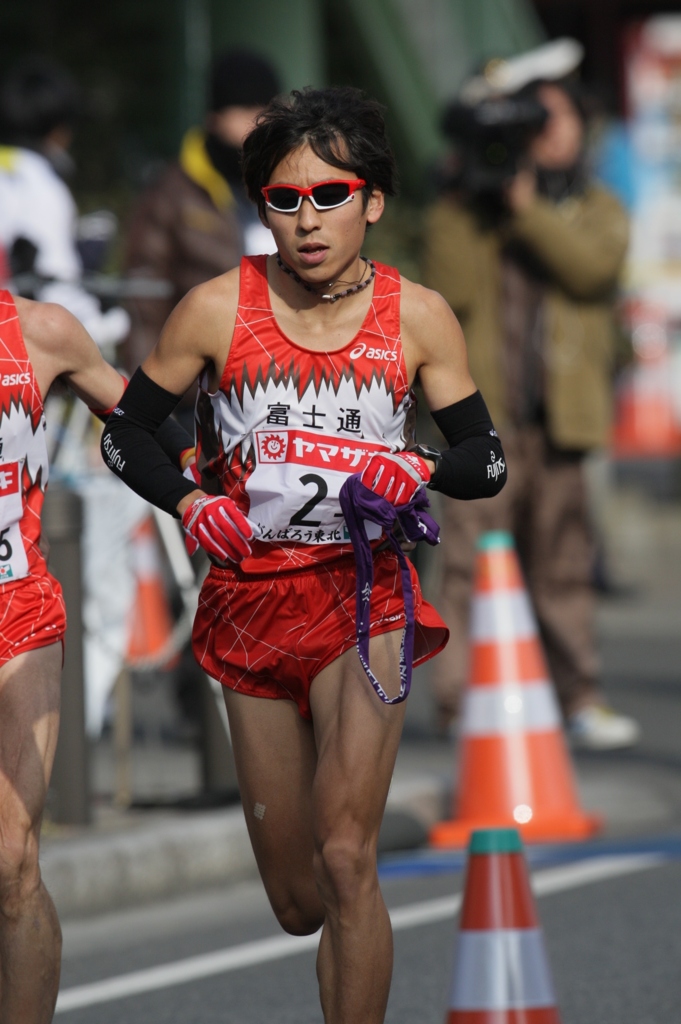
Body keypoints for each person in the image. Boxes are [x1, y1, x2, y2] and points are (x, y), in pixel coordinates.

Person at [101, 85, 506, 1024]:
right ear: (260, 209)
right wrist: (191, 502)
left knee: (345, 856)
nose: (307, 219)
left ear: (371, 200)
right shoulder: (213, 310)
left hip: (365, 601)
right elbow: (129, 434)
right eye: (283, 200)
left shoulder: (418, 317)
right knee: (296, 900)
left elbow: (485, 459)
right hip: (249, 604)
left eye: (330, 194)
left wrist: (419, 465)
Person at [423, 43, 639, 749]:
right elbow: (445, 291)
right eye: (532, 120)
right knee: (463, 567)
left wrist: (523, 211)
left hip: (560, 421)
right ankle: (457, 707)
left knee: (563, 566)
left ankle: (578, 696)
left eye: (558, 118)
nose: (548, 131)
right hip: (482, 421)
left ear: (580, 125)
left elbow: (590, 271)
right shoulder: (468, 207)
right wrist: (469, 197)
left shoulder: (595, 208)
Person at [123, 48, 280, 378]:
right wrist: (150, 405)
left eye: (265, 109)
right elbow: (144, 302)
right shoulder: (172, 193)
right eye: (243, 108)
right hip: (200, 386)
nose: (256, 121)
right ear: (214, 116)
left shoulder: (290, 184)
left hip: (282, 378)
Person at [0, 56, 130, 346]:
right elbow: (57, 293)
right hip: (17, 348)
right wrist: (112, 322)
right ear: (59, 129)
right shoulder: (42, 185)